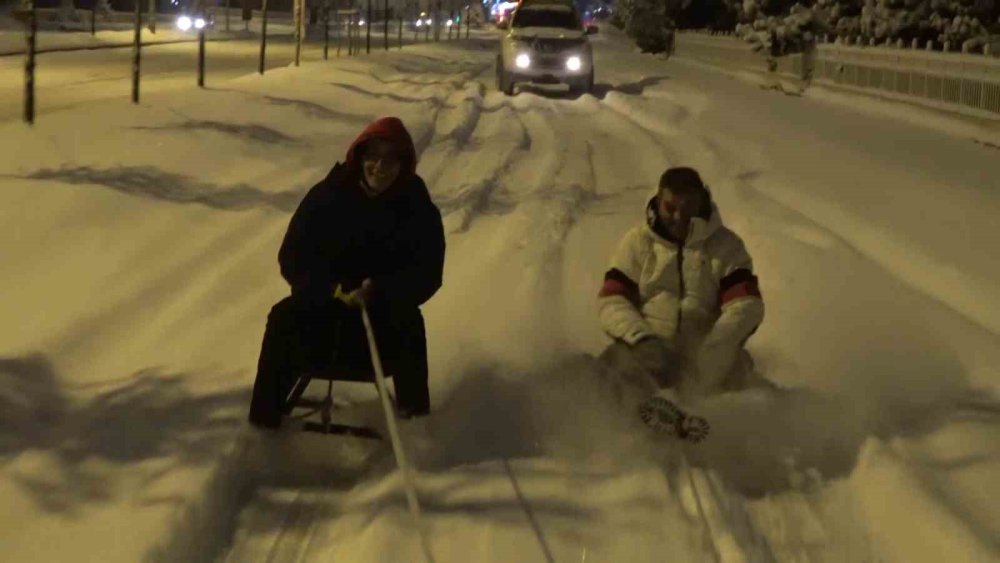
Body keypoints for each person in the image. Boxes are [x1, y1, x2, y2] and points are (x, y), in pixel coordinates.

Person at [248, 117, 446, 429]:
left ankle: (416, 426)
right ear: (359, 157)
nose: (380, 167)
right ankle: (262, 423)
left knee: (411, 324)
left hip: (381, 326)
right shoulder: (326, 197)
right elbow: (293, 257)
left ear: (404, 165)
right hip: (323, 317)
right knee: (283, 318)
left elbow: (427, 273)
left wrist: (381, 290)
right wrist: (331, 290)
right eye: (373, 157)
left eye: (391, 159)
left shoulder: (417, 208)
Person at [596, 167, 765, 411]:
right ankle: (623, 430)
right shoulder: (638, 242)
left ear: (702, 203)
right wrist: (641, 339)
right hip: (649, 352)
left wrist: (714, 353)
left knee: (744, 374)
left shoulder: (726, 247)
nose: (678, 217)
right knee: (608, 367)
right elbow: (612, 299)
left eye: (687, 209)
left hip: (704, 356)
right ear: (658, 201)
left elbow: (745, 304)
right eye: (670, 208)